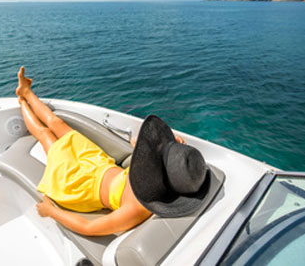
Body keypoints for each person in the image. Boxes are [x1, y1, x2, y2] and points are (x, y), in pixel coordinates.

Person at [15, 66, 212, 236]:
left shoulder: (140, 207)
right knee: (57, 123)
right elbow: (136, 141)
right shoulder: (159, 169)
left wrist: (51, 212)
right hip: (98, 162)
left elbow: (89, 227)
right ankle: (26, 91)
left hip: (79, 183)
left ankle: (22, 101)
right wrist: (169, 147)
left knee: (45, 135)